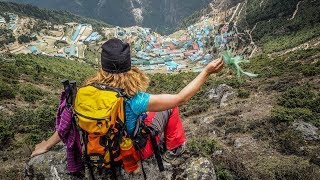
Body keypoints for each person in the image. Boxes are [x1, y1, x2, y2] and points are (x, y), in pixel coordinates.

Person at [31, 38, 224, 169]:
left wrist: (46, 145)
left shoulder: (83, 93)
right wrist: (206, 71)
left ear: (103, 66)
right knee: (170, 107)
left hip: (95, 155)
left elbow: (69, 123)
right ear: (128, 66)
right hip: (128, 154)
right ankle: (175, 148)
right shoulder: (134, 99)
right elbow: (180, 98)